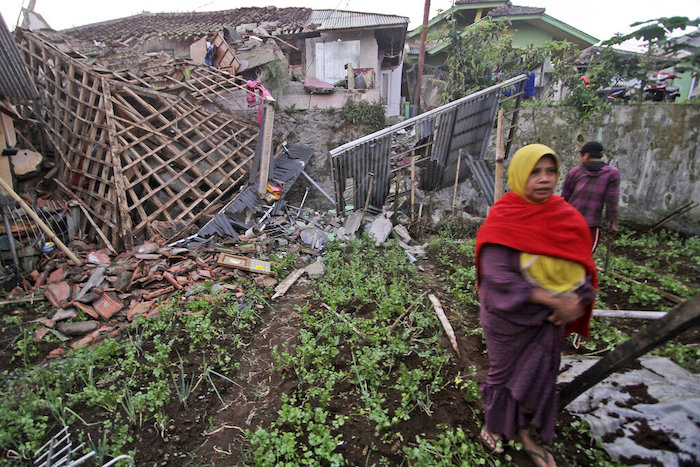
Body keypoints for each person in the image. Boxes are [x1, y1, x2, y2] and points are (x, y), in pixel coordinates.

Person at [474, 144, 598, 467]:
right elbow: (498, 277)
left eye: (550, 171)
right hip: (508, 318)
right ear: (518, 174)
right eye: (534, 172)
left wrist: (579, 300)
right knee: (503, 376)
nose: (544, 179)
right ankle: (495, 424)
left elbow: (581, 264)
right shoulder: (505, 216)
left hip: (549, 321)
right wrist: (554, 299)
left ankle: (526, 433)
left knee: (540, 376)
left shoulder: (566, 217)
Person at [561, 141, 620, 251]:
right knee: (585, 257)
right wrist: (613, 223)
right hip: (591, 225)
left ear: (586, 155)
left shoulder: (575, 172)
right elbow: (612, 202)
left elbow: (564, 199)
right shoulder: (612, 174)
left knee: (565, 252)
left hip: (570, 222)